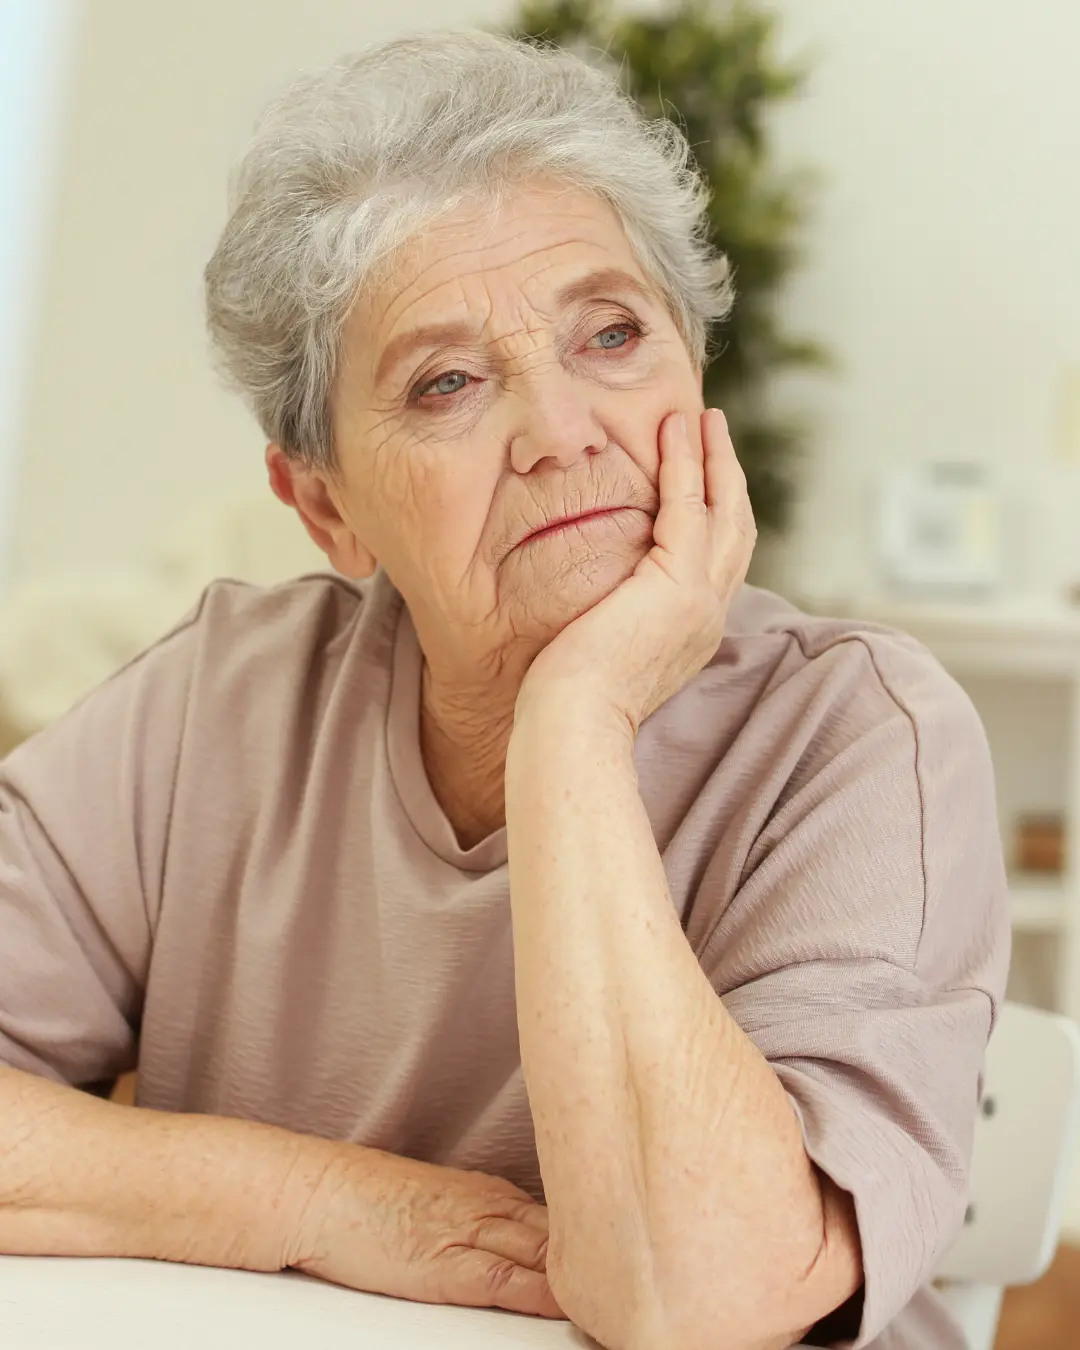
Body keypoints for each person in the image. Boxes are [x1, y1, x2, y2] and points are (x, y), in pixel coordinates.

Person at [0, 28, 1008, 1350]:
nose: (561, 433)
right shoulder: (214, 708)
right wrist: (329, 1201)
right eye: (449, 382)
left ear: (695, 380)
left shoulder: (863, 733)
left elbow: (696, 1297)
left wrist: (574, 722)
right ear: (325, 505)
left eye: (611, 333)